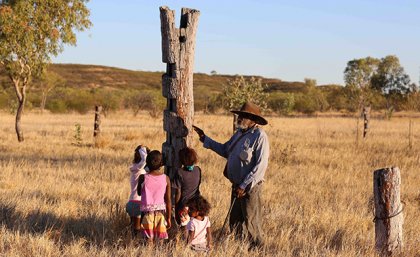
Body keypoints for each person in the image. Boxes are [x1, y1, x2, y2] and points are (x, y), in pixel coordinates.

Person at [193, 101, 269, 249]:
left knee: (252, 222)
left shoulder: (260, 136)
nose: (240, 118)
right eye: (240, 115)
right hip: (236, 186)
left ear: (253, 120)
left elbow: (260, 166)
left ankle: (259, 250)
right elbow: (225, 150)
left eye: (244, 116)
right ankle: (240, 249)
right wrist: (204, 138)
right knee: (235, 222)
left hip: (249, 188)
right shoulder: (239, 134)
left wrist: (244, 185)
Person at [137, 150, 172, 242]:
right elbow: (168, 200)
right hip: (161, 213)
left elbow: (139, 193)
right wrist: (168, 218)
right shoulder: (166, 178)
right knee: (160, 239)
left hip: (147, 213)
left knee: (148, 238)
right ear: (161, 164)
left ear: (147, 163)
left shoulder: (143, 177)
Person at [173, 147, 202, 227]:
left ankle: (185, 240)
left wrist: (176, 207)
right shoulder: (198, 170)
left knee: (185, 228)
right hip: (196, 203)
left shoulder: (179, 172)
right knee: (195, 226)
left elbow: (178, 192)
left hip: (184, 204)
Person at [125, 144, 148, 237]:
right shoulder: (139, 168)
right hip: (138, 203)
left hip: (131, 202)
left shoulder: (136, 168)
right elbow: (144, 160)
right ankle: (133, 244)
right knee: (137, 228)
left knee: (133, 226)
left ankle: (128, 241)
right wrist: (143, 149)